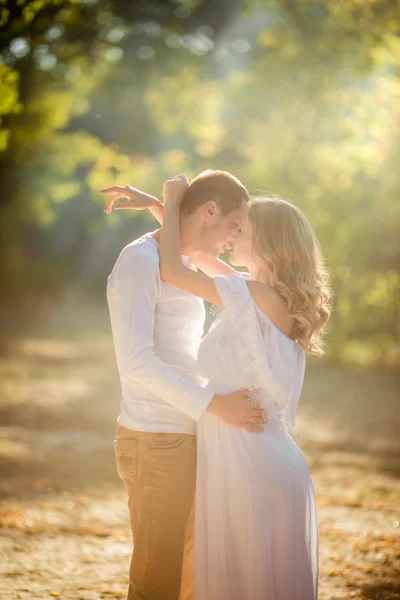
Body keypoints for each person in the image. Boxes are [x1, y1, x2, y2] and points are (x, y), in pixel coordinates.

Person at [157, 176, 331, 600]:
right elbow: (200, 253)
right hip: (254, 461)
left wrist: (174, 197)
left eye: (241, 230)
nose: (231, 236)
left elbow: (173, 269)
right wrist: (166, 213)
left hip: (252, 467)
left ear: (268, 244)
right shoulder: (260, 295)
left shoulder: (256, 295)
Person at [102, 170, 266, 600]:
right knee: (158, 579)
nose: (234, 239)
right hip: (155, 440)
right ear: (211, 210)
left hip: (192, 435)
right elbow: (136, 361)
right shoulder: (138, 262)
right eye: (234, 225)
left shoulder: (184, 264)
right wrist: (216, 404)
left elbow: (242, 288)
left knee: (191, 577)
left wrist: (166, 207)